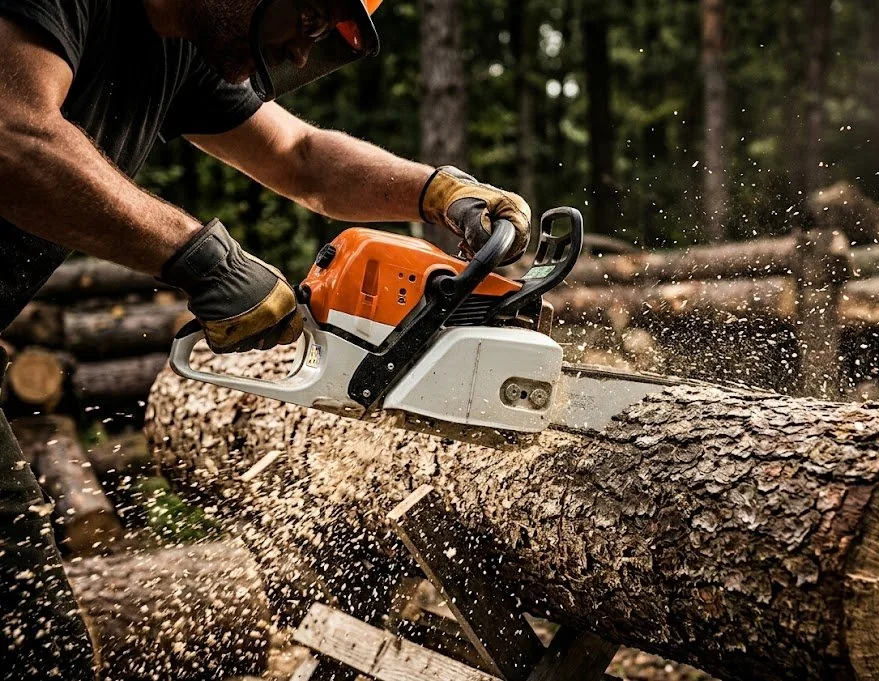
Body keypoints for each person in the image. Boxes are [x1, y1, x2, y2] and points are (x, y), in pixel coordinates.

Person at [0, 0, 531, 676]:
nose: (302, 54)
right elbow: (11, 133)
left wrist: (438, 192)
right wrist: (198, 256)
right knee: (39, 650)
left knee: (37, 645)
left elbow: (302, 158)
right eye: (305, 18)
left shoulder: (176, 48)